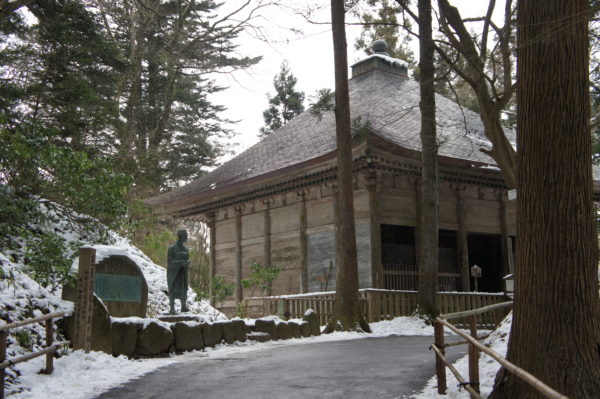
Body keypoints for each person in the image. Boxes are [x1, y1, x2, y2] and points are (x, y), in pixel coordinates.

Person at [167, 229, 190, 314]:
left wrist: (187, 263)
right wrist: (180, 263)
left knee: (184, 289)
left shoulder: (186, 249)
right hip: (174, 273)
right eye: (185, 236)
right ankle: (172, 308)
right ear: (180, 236)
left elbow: (188, 259)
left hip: (183, 273)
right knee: (173, 289)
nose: (187, 237)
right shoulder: (172, 248)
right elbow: (170, 262)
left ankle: (183, 306)